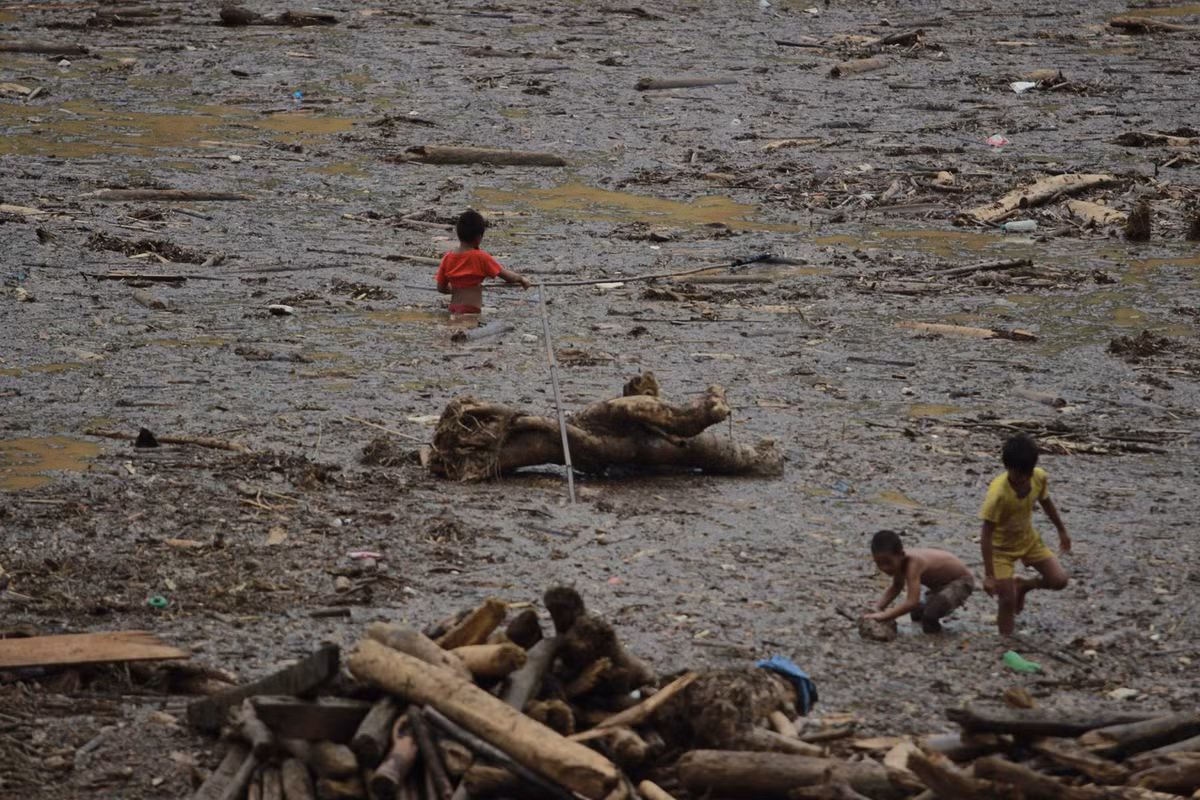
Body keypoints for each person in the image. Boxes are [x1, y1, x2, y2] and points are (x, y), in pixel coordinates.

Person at [980, 435, 1071, 635]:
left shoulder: (1038, 477)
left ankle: (1023, 585)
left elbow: (1046, 502)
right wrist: (989, 576)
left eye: (1026, 474)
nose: (1022, 479)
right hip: (1000, 550)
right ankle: (1007, 643)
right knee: (1006, 600)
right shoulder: (998, 495)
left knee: (1059, 580)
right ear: (1008, 467)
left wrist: (1061, 530)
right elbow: (986, 535)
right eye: (1017, 474)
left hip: (1028, 540)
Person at [863, 530, 975, 634]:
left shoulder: (913, 563)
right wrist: (877, 608)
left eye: (888, 563)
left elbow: (912, 602)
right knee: (916, 613)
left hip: (961, 582)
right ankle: (925, 631)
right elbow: (896, 587)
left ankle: (937, 640)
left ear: (901, 555)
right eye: (879, 563)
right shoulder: (899, 562)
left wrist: (884, 616)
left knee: (930, 616)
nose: (884, 568)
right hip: (939, 587)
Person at [436, 210, 531, 314]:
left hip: (453, 308)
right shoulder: (481, 257)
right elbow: (508, 277)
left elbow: (441, 288)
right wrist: (522, 279)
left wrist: (456, 289)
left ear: (458, 234)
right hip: (471, 310)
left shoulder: (448, 257)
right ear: (479, 238)